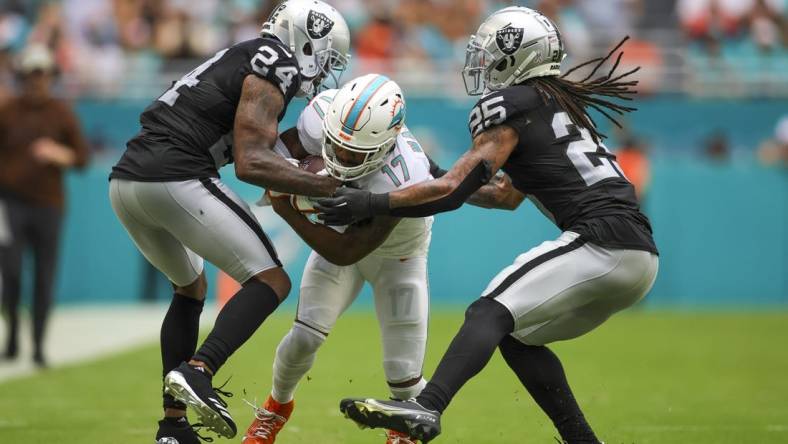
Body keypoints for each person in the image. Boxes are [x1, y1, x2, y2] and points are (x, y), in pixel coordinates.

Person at [319, 7, 659, 443]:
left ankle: (426, 407)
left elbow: (452, 191)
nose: (480, 61)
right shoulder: (558, 106)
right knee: (518, 335)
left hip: (601, 242)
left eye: (490, 53)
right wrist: (431, 172)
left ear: (517, 58)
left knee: (488, 311)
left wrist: (370, 201)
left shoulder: (510, 107)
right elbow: (503, 196)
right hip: (638, 255)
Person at [107, 1, 350, 442]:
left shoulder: (246, 55)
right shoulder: (276, 59)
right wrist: (331, 186)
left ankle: (173, 426)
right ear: (308, 40)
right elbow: (251, 161)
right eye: (328, 54)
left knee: (190, 288)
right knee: (272, 280)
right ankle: (201, 369)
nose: (327, 67)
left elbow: (260, 147)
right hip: (174, 173)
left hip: (126, 182)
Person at [242, 74, 522, 444]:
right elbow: (274, 157)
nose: (339, 157)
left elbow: (348, 252)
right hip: (345, 237)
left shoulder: (404, 175)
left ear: (385, 146)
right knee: (304, 338)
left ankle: (402, 429)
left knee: (403, 377)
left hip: (396, 257)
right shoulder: (322, 115)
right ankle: (275, 408)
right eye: (335, 144)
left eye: (352, 153)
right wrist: (291, 176)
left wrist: (286, 206)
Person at [0, 44, 89, 368]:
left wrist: (57, 153)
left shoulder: (61, 113)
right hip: (10, 202)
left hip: (49, 204)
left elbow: (82, 157)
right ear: (23, 76)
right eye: (31, 74)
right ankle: (11, 336)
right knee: (10, 272)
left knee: (44, 274)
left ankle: (37, 344)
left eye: (42, 74)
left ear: (51, 76)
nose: (37, 80)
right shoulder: (7, 110)